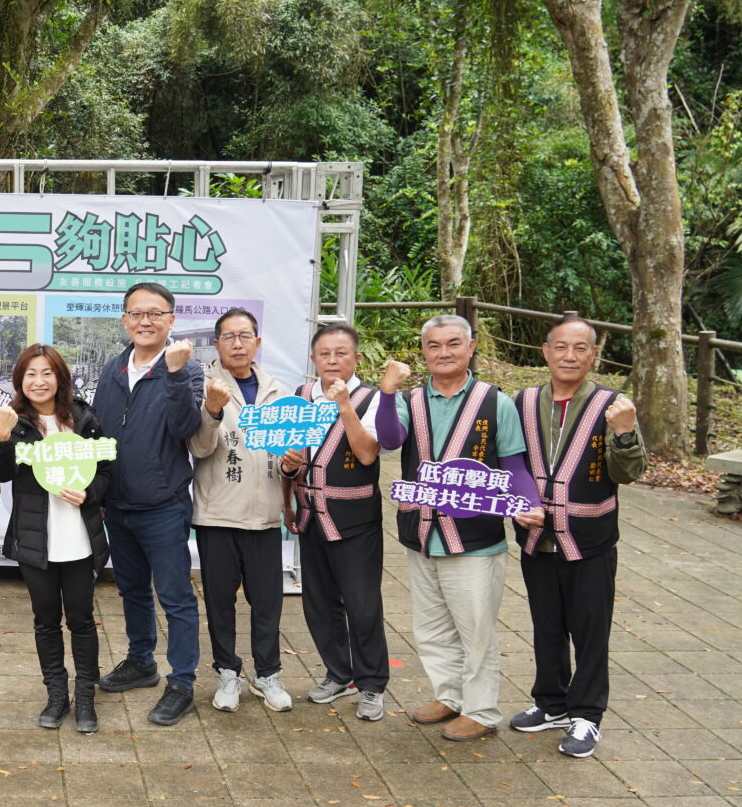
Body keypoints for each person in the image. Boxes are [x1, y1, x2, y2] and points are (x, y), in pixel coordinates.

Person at [374, 314, 544, 741]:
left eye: (453, 344)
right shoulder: (410, 400)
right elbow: (390, 440)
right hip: (421, 532)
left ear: (470, 348)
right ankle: (449, 695)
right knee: (431, 627)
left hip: (475, 538)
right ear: (424, 352)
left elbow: (514, 463)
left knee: (476, 630)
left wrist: (529, 503)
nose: (444, 352)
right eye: (434, 345)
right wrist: (387, 391)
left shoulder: (495, 402)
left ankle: (481, 711)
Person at [509, 315, 645, 758]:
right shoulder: (524, 402)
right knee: (546, 625)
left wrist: (624, 432)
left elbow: (628, 473)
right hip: (536, 539)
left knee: (590, 630)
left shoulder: (613, 405)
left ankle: (586, 715)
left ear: (593, 355)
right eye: (561, 347)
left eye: (580, 348)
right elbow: (509, 463)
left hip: (590, 539)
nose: (569, 356)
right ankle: (551, 703)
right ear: (546, 352)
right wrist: (515, 505)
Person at [89, 282, 205, 726]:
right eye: (136, 313)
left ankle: (182, 683)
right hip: (117, 506)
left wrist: (174, 375)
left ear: (171, 320)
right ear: (125, 320)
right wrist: (99, 492)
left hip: (162, 505)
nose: (145, 321)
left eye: (155, 313)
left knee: (175, 596)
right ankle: (141, 662)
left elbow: (185, 428)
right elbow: (98, 431)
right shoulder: (114, 367)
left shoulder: (186, 369)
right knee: (131, 590)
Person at [0, 344, 110, 733]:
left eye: (47, 373)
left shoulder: (82, 418)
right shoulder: (15, 422)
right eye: (31, 374)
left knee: (81, 620)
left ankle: (85, 697)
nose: (39, 381)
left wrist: (89, 493)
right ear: (20, 380)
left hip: (78, 539)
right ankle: (56, 696)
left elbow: (106, 471)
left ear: (60, 378)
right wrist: (1, 436)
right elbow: (3, 474)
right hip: (35, 541)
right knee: (45, 621)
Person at [189, 308, 294, 714]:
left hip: (264, 515)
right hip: (217, 516)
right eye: (229, 337)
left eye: (245, 336)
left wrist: (292, 464)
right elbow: (199, 448)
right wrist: (212, 411)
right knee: (220, 603)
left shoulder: (277, 391)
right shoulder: (202, 386)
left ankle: (267, 674)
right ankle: (227, 672)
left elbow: (285, 457)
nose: (237, 343)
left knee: (267, 602)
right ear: (217, 344)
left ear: (257, 342)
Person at [282, 323, 389, 721]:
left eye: (341, 353)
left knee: (362, 605)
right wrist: (288, 488)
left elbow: (367, 454)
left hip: (355, 519)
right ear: (313, 359)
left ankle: (372, 683)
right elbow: (288, 456)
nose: (332, 360)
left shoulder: (371, 399)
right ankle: (338, 673)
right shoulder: (300, 396)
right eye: (324, 354)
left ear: (356, 358)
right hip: (310, 515)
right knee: (318, 602)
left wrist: (344, 405)